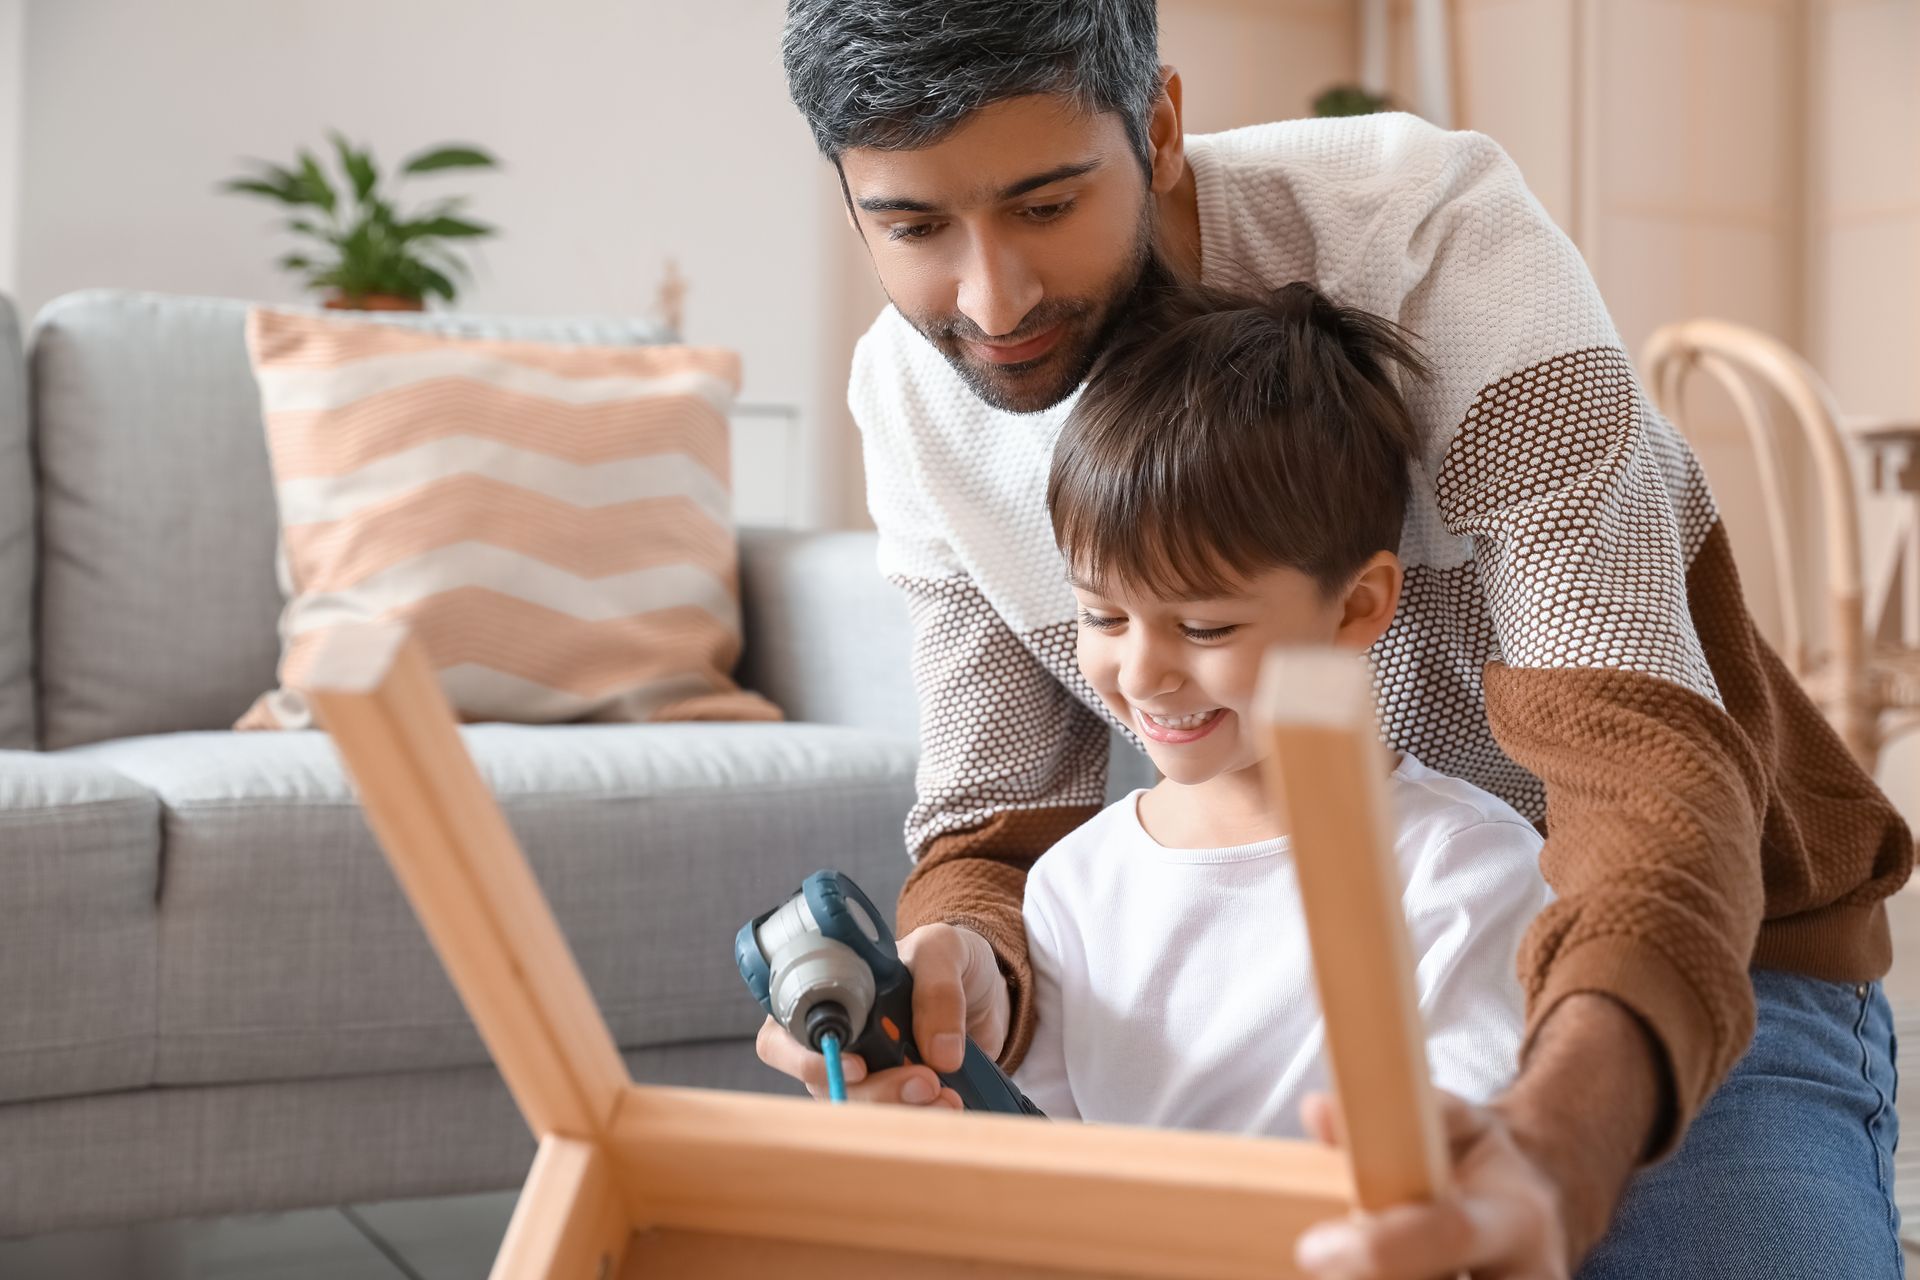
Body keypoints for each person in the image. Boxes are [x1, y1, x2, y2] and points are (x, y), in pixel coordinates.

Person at [756, 2, 1913, 1274]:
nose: (993, 298)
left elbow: (1638, 767)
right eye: (914, 225)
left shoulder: (1429, 234)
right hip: (1316, 994)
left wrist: (1552, 1148)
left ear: (1159, 127)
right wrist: (960, 971)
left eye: (1044, 205)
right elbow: (997, 830)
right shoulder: (913, 400)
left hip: (1692, 955)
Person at [1010, 279, 1550, 1133]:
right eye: (1102, 616)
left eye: (1204, 625)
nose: (1143, 673)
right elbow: (1042, 1169)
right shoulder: (1072, 888)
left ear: (1356, 606)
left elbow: (1464, 1170)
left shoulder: (1464, 870)